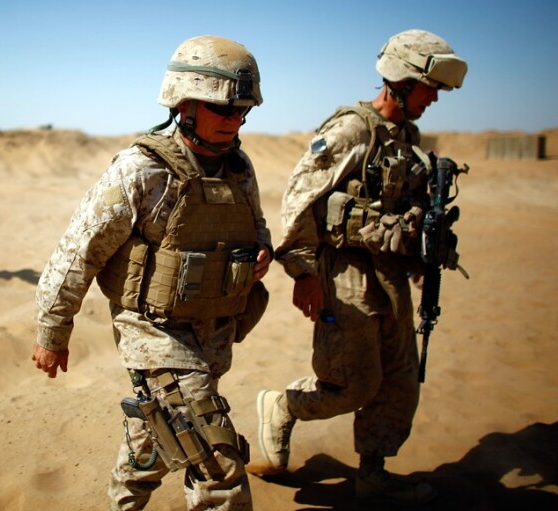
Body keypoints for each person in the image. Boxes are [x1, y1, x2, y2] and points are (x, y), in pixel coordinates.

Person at [32, 35, 273, 510]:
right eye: (222, 109)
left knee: (156, 437)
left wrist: (261, 250)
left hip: (214, 336)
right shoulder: (142, 170)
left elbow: (257, 225)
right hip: (155, 336)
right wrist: (52, 329)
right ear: (184, 104)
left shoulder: (238, 168)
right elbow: (78, 252)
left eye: (242, 111)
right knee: (217, 468)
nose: (234, 121)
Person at [255, 29, 467, 505]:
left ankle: (373, 473)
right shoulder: (352, 129)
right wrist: (304, 273)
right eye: (429, 87)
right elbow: (299, 197)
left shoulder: (407, 137)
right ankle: (282, 405)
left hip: (389, 274)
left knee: (398, 382)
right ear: (402, 80)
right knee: (352, 384)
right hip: (344, 273)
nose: (434, 98)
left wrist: (421, 251)